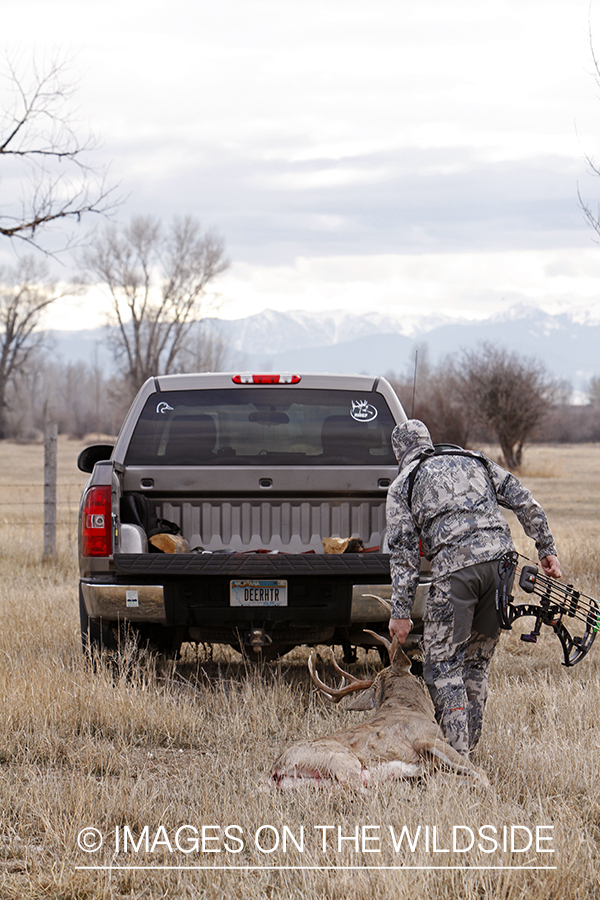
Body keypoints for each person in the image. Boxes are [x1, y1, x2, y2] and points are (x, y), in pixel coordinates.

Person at [386, 419, 561, 757]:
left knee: (442, 666)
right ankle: (470, 749)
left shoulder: (403, 484)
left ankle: (456, 761)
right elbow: (524, 500)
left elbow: (404, 554)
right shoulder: (474, 459)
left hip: (457, 575)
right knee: (476, 663)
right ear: (427, 441)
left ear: (399, 455)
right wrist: (547, 549)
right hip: (501, 568)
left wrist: (400, 613)